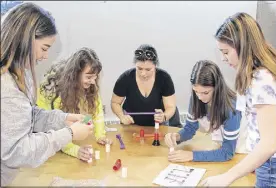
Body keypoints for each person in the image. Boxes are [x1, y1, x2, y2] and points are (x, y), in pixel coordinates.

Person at [1, 3, 93, 186]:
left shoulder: (21, 72)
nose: (45, 56)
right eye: (44, 48)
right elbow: (15, 152)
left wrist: (62, 119)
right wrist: (68, 134)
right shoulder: (7, 88)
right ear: (24, 39)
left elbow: (26, 114)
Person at [201, 12, 276, 187]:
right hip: (266, 161)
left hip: (271, 164)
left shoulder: (262, 78)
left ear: (242, 45)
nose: (223, 58)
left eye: (226, 52)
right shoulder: (258, 72)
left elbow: (270, 143)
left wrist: (227, 177)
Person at [37, 47, 113, 162]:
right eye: (88, 77)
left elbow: (97, 111)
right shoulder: (55, 89)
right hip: (43, 138)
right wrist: (74, 150)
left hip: (61, 134)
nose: (93, 81)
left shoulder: (90, 85)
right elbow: (57, 128)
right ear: (75, 74)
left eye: (95, 77)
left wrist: (100, 134)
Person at [165, 60, 243, 162]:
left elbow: (228, 153)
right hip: (219, 150)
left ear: (217, 87)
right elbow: (190, 128)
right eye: (196, 91)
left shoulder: (231, 108)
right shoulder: (195, 99)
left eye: (205, 92)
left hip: (240, 152)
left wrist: (192, 155)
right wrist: (177, 136)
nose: (200, 97)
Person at [111, 44, 176, 126]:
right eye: (139, 68)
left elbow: (170, 107)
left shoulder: (164, 78)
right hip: (131, 125)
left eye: (148, 69)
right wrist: (122, 116)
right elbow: (115, 102)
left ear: (155, 66)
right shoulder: (126, 78)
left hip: (156, 125)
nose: (143, 74)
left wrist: (164, 116)